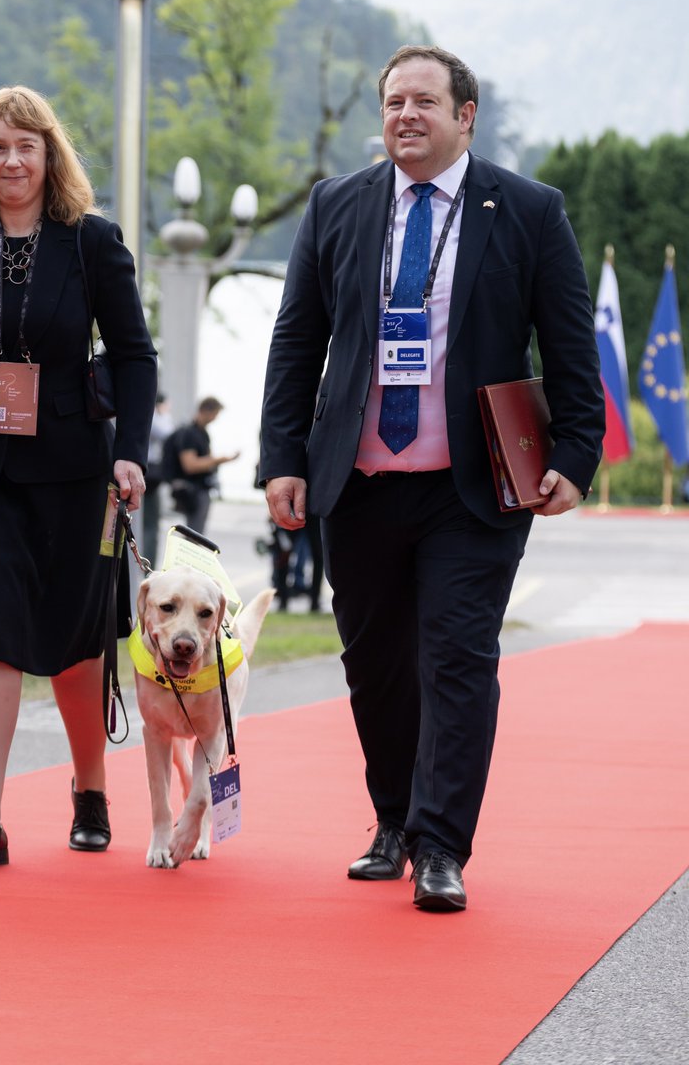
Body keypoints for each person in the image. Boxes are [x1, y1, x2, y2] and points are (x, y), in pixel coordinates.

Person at [259, 45, 604, 912]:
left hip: (471, 485)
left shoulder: (527, 210)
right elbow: (297, 339)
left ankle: (443, 843)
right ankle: (394, 822)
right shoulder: (336, 204)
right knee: (376, 665)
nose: (405, 115)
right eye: (393, 103)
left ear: (465, 115)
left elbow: (569, 343)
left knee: (457, 658)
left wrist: (575, 456)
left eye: (424, 101)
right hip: (359, 481)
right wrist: (282, 458)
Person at [0, 85, 157, 868]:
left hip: (73, 467)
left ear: (50, 154)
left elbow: (133, 353)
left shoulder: (91, 240)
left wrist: (131, 450)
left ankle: (90, 787)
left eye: (25, 146)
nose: (11, 161)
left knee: (75, 639)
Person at [164, 396, 238, 536]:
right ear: (206, 411)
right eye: (215, 414)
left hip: (200, 488)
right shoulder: (190, 433)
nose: (215, 418)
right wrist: (219, 460)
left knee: (195, 534)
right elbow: (190, 465)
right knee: (194, 536)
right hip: (193, 490)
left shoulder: (202, 433)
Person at [141, 392, 174, 560]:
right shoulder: (152, 416)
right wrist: (164, 413)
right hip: (147, 471)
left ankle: (149, 560)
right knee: (148, 522)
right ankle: (146, 560)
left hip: (152, 474)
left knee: (151, 522)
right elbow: (167, 434)